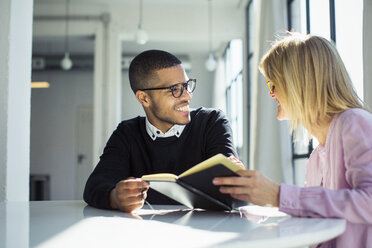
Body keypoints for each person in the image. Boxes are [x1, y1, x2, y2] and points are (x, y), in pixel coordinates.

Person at [213, 33, 372, 248]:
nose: (271, 94)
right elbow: (317, 215)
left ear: (297, 84)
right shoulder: (317, 157)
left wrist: (279, 195)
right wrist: (258, 203)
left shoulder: (354, 122)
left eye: (273, 84)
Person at [84, 50, 238, 213]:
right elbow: (95, 186)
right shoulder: (127, 134)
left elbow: (229, 190)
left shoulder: (212, 122)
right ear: (144, 98)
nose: (187, 96)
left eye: (187, 86)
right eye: (175, 89)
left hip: (207, 230)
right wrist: (115, 197)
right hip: (145, 232)